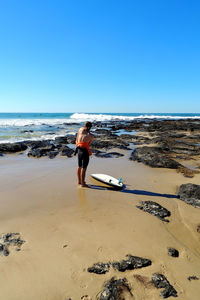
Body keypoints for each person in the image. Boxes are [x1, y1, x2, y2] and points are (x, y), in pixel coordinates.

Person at [76, 121, 94, 187]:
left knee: (79, 166)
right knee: (84, 168)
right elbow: (88, 144)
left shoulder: (80, 129)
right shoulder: (91, 136)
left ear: (84, 125)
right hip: (85, 151)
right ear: (90, 127)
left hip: (78, 149)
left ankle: (79, 181)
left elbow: (77, 138)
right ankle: (83, 183)